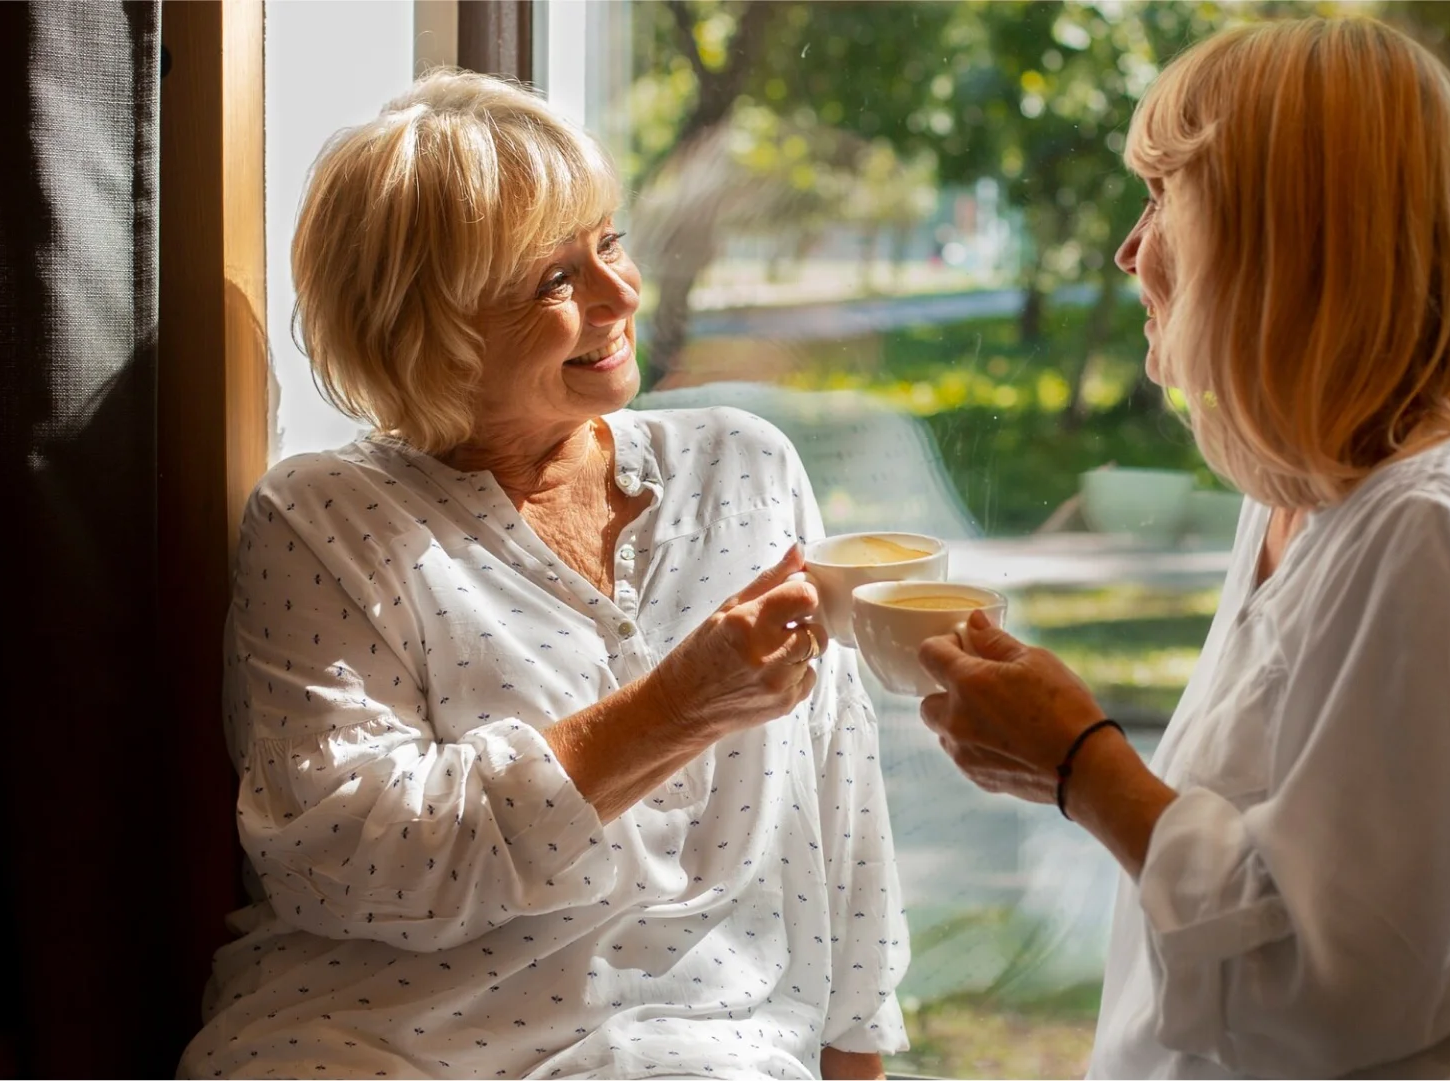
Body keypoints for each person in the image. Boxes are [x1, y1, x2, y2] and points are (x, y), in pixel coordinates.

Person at [916, 18, 1450, 1079]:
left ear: (1275, 234)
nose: (1129, 249)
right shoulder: (1308, 497)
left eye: (1162, 197)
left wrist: (1082, 765)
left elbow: (1342, 989)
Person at [179, 71, 907, 1080]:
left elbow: (842, 800)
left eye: (609, 242)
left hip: (688, 1042)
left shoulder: (745, 468)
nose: (620, 293)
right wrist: (671, 711)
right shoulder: (323, 519)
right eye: (553, 280)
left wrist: (856, 1050)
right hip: (368, 1036)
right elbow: (344, 862)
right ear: (421, 323)